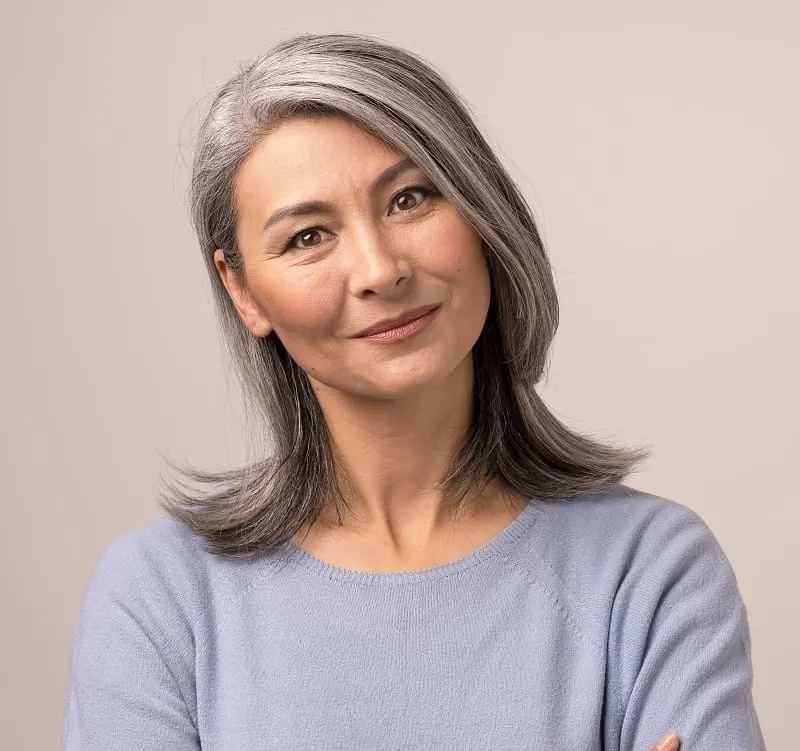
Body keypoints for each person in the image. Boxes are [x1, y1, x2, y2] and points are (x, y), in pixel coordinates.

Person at [62, 32, 765, 750]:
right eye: (308, 236)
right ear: (243, 291)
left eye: (410, 198)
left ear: (481, 209)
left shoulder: (649, 572)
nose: (379, 268)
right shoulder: (159, 597)